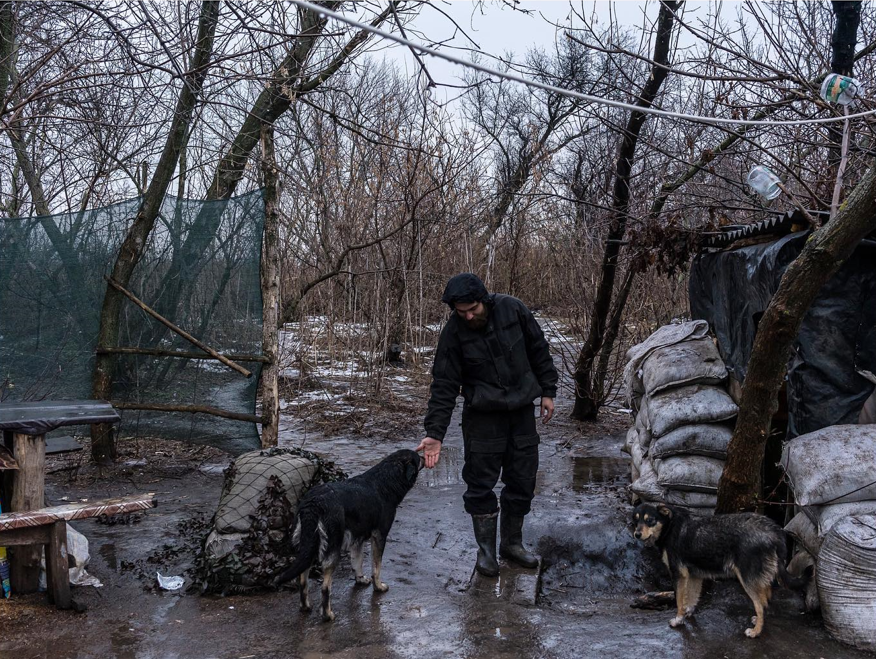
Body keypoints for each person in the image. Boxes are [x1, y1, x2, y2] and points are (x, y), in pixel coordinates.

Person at [416, 273, 558, 577]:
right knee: (480, 485)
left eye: (473, 309)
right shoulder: (453, 333)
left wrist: (548, 391)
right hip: (482, 418)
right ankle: (486, 553)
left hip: (521, 413)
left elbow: (538, 349)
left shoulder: (513, 309)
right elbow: (444, 385)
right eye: (461, 312)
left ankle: (512, 544)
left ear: (484, 299)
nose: (468, 316)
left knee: (522, 480)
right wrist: (435, 433)